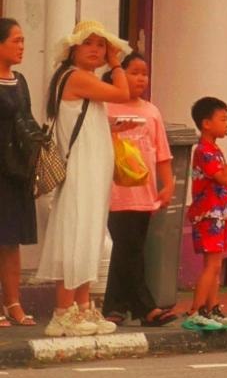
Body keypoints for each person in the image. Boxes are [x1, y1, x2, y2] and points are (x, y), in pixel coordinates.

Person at [44, 22, 132, 336]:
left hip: (89, 169)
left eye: (101, 44)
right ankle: (62, 312)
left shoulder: (80, 79)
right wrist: (118, 63)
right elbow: (124, 92)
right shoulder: (76, 77)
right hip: (80, 170)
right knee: (76, 235)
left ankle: (82, 307)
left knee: (88, 235)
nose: (96, 50)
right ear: (73, 49)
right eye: (89, 44)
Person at [103, 51, 175, 327]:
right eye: (134, 72)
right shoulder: (105, 108)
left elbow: (162, 155)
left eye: (144, 73)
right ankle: (146, 308)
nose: (141, 78)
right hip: (114, 193)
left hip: (144, 194)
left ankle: (115, 307)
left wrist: (167, 185)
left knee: (130, 249)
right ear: (118, 74)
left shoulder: (151, 111)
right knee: (127, 248)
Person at [182, 96, 227, 333]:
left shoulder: (214, 149)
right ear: (206, 123)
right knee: (211, 265)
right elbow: (224, 177)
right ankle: (196, 311)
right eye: (222, 119)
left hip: (219, 214)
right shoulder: (204, 151)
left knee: (216, 265)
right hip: (208, 215)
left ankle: (212, 307)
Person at [0, 18, 38, 328]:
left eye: (23, 40)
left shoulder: (20, 80)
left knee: (11, 240)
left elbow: (28, 120)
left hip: (16, 170)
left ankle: (13, 302)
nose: (21, 46)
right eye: (16, 40)